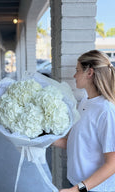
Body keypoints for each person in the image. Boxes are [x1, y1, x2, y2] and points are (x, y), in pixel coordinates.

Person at [53, 50, 115, 192]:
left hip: (94, 189)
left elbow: (112, 164)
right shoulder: (85, 102)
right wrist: (44, 138)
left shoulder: (106, 111)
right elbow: (80, 144)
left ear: (89, 73)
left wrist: (77, 189)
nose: (74, 75)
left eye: (77, 70)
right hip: (77, 184)